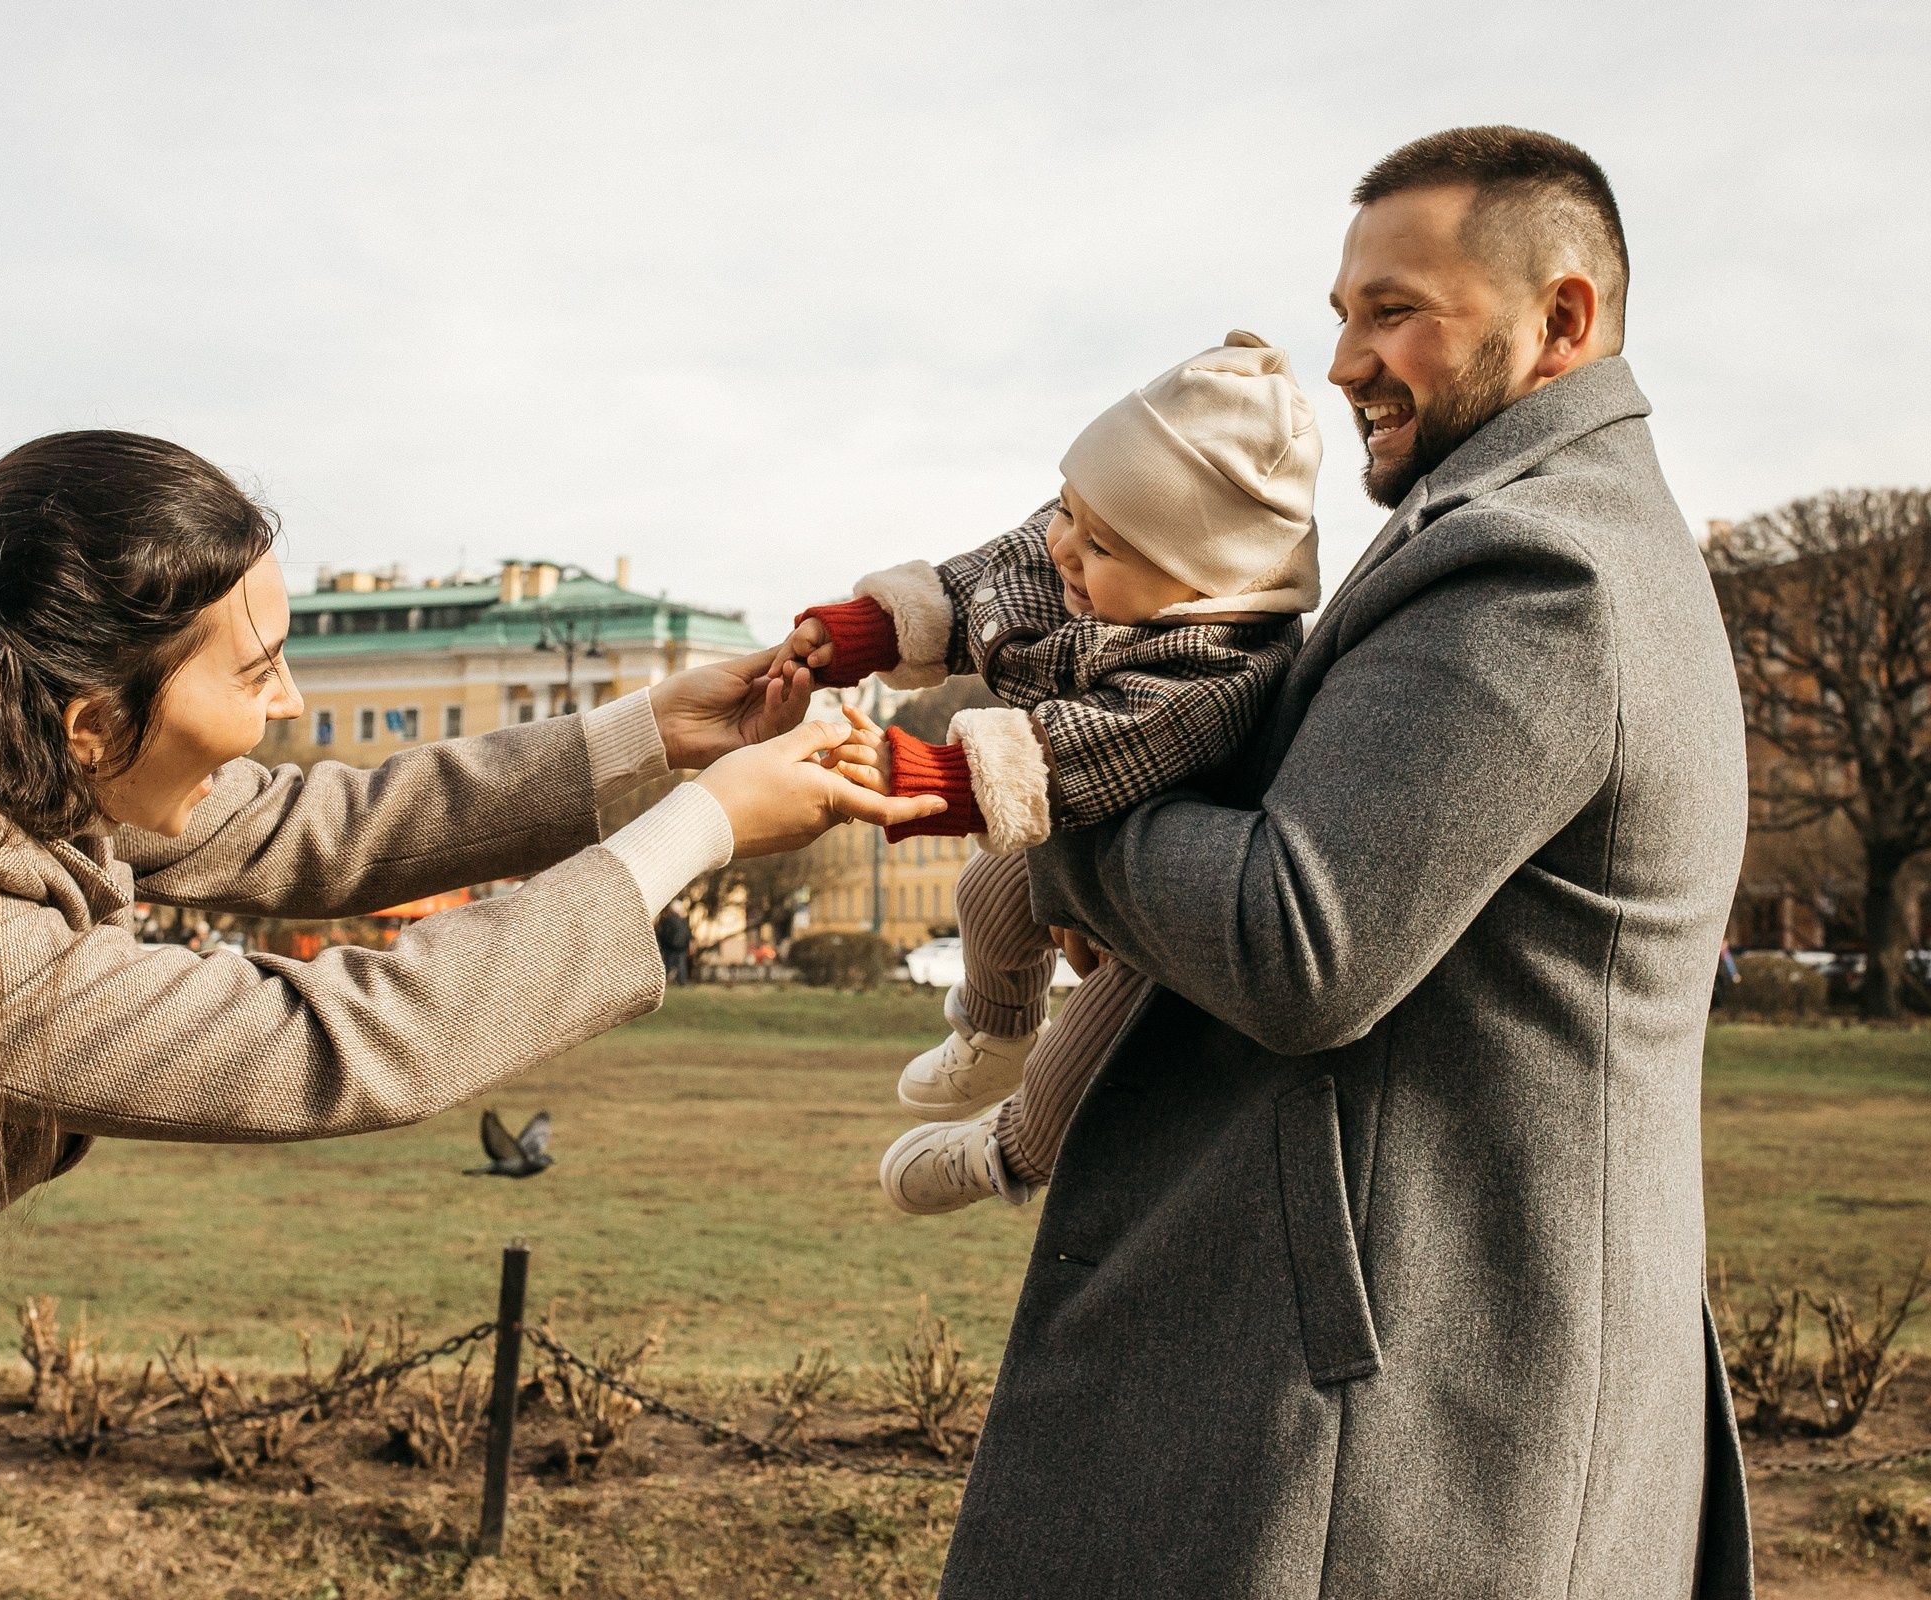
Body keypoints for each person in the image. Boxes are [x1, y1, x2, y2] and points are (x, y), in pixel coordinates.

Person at [0, 431, 938, 1599]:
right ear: (93, 722)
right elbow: (340, 1042)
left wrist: (650, 739)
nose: (291, 700)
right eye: (257, 669)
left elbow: (320, 824)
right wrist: (693, 834)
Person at [937, 128, 1753, 1596]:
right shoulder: (1536, 530)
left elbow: (1296, 942)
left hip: (1392, 1432)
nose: (1346, 361)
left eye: (1397, 312)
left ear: (1562, 318)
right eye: (1341, 315)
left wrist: (1044, 799)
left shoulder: (1535, 567)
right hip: (1417, 1387)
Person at [772, 332, 1321, 1214]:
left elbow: (1080, 751)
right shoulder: (1083, 545)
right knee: (986, 895)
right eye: (1066, 508)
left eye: (1101, 547)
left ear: (1196, 584)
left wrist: (932, 771)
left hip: (1179, 893)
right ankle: (994, 1028)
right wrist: (869, 633)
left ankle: (1015, 1148)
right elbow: (997, 577)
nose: (1065, 547)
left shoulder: (1216, 664)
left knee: (1097, 1044)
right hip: (1076, 834)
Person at [655, 901, 692, 983]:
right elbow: (688, 934)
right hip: (682, 947)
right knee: (681, 965)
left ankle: (665, 980)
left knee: (668, 965)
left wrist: (662, 944)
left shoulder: (668, 921)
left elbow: (663, 934)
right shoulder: (684, 921)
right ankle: (682, 981)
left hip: (669, 947)